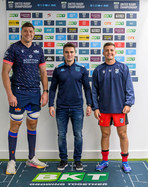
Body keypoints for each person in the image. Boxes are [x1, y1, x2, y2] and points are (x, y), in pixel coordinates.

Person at [2, 22, 48, 175]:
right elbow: (5, 73)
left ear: (34, 33)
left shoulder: (38, 49)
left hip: (35, 92)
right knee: (15, 125)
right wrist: (10, 94)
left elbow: (43, 73)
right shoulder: (13, 48)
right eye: (25, 31)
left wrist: (45, 91)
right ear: (21, 33)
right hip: (18, 93)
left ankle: (31, 158)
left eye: (31, 31)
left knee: (33, 124)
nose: (28, 33)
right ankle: (11, 161)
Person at [92, 42, 135, 173]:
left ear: (115, 52)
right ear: (103, 53)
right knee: (105, 134)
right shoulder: (98, 70)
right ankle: (105, 161)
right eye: (107, 50)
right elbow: (94, 91)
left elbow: (129, 88)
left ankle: (125, 162)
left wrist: (128, 103)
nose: (109, 52)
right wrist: (96, 107)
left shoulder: (123, 68)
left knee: (123, 134)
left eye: (111, 50)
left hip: (120, 109)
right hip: (104, 110)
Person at [49, 43, 92, 171]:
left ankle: (77, 160)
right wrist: (51, 105)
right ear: (63, 53)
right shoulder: (58, 69)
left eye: (71, 52)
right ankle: (63, 160)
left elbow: (87, 89)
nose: (69, 54)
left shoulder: (82, 69)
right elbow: (52, 89)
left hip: (77, 108)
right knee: (61, 135)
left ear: (75, 53)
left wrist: (89, 104)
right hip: (61, 108)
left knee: (78, 135)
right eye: (67, 52)